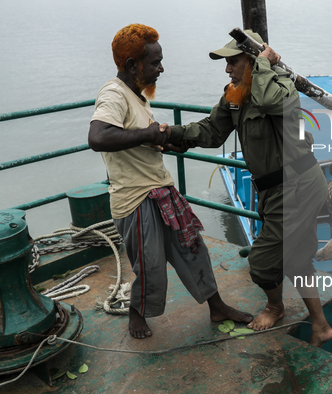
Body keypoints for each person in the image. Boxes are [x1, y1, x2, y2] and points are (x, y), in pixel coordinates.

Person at [160, 30, 332, 347]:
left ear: (253, 60)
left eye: (234, 61)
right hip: (274, 190)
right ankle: (321, 326)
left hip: (298, 186)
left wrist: (265, 63)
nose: (228, 69)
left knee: (262, 263)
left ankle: (275, 306)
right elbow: (212, 131)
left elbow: (268, 101)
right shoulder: (236, 95)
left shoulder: (282, 88)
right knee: (295, 260)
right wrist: (171, 133)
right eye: (226, 63)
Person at [88, 24, 253, 339]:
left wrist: (160, 140)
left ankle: (216, 305)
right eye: (154, 63)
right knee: (150, 266)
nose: (161, 68)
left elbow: (131, 138)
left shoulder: (137, 95)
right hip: (135, 198)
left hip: (161, 189)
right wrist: (148, 133)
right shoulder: (114, 94)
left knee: (193, 249)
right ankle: (137, 313)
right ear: (132, 65)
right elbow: (97, 137)